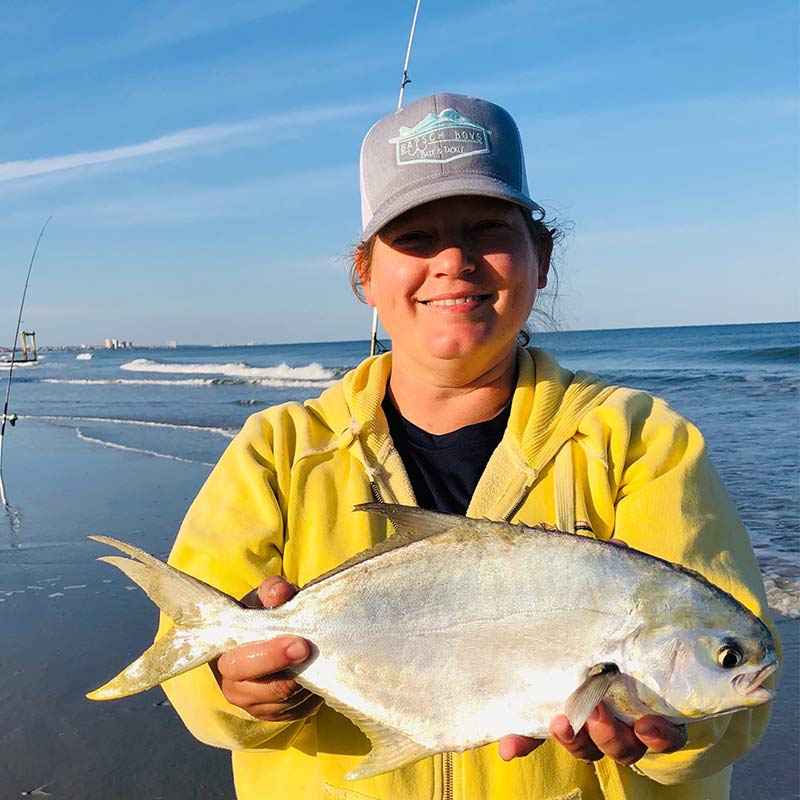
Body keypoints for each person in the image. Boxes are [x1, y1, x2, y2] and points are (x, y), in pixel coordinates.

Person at [159, 93, 777, 800]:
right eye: (415, 238)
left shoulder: (640, 441)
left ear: (539, 258)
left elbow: (723, 706)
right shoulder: (277, 452)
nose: (453, 260)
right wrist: (233, 683)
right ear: (365, 272)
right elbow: (189, 657)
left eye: (487, 229)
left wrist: (675, 735)